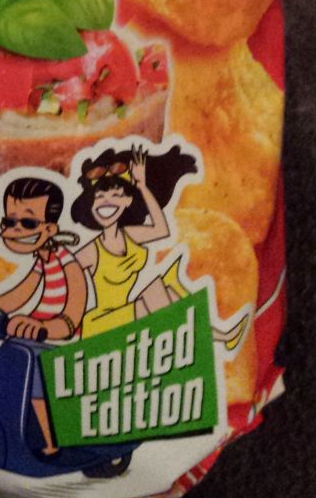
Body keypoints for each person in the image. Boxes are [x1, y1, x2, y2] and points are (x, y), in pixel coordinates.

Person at [0, 175, 86, 455]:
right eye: (10, 221)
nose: (16, 229)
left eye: (28, 223)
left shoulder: (68, 263)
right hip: (29, 334)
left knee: (35, 374)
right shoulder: (40, 263)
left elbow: (74, 313)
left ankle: (52, 441)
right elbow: (16, 296)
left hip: (60, 341)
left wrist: (47, 328)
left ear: (50, 228)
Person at [72, 145, 246, 347]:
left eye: (115, 196)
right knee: (154, 294)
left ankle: (218, 337)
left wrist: (142, 186)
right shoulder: (92, 250)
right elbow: (67, 272)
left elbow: (161, 229)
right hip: (103, 322)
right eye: (100, 197)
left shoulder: (129, 235)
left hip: (128, 311)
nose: (106, 203)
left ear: (127, 201)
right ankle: (216, 338)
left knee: (165, 291)